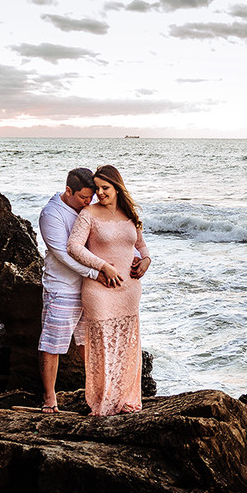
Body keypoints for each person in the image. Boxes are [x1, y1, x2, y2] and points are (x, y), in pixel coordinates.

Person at [67, 165, 151, 416]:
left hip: (129, 290)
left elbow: (141, 246)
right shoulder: (88, 213)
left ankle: (125, 400)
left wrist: (146, 261)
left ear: (117, 188)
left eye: (106, 188)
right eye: (97, 188)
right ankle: (104, 401)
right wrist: (102, 266)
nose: (100, 193)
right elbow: (73, 247)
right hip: (99, 290)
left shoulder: (130, 214)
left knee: (126, 345)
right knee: (102, 346)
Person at [37, 167, 110, 413]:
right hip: (62, 287)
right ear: (68, 190)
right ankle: (50, 398)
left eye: (91, 197)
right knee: (53, 343)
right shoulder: (52, 214)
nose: (88, 202)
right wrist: (97, 272)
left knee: (89, 343)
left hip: (90, 289)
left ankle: (99, 394)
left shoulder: (88, 209)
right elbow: (64, 255)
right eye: (83, 197)